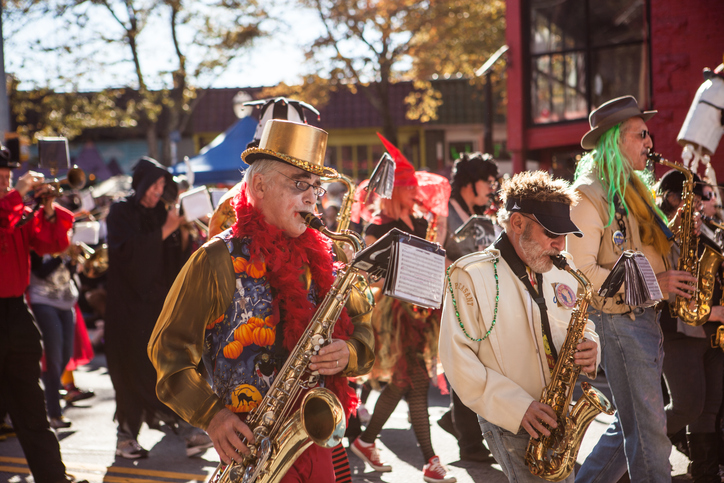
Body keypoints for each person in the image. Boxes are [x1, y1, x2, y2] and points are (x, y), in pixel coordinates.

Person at [148, 119, 375, 483]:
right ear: (259, 186)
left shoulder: (328, 256)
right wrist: (211, 416)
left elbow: (364, 331)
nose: (311, 199)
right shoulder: (214, 259)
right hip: (252, 454)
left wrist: (350, 351)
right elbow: (168, 351)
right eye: (299, 184)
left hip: (317, 446)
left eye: (315, 187)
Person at [567, 95, 698, 482]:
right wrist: (652, 284)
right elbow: (581, 272)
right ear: (614, 140)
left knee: (633, 428)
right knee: (651, 436)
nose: (650, 143)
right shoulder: (588, 195)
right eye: (641, 134)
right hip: (618, 322)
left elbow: (646, 252)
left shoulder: (634, 190)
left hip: (644, 320)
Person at [439, 170, 600, 483]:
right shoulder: (470, 275)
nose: (560, 245)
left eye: (564, 234)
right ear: (517, 224)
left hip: (555, 413)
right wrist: (517, 408)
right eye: (551, 233)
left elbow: (580, 324)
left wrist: (591, 344)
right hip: (510, 419)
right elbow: (457, 359)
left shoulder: (560, 267)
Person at [349, 134, 456, 483]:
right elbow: (373, 275)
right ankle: (430, 460)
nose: (416, 192)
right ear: (396, 191)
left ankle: (366, 440)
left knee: (404, 381)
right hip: (393, 313)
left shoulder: (420, 220)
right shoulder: (377, 226)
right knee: (416, 378)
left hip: (421, 307)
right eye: (409, 187)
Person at [104, 156, 209, 459]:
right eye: (153, 185)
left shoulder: (162, 213)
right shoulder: (120, 212)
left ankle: (187, 430)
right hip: (127, 312)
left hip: (158, 309)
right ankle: (126, 437)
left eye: (162, 185)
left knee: (167, 367)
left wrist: (183, 232)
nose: (156, 191)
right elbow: (128, 257)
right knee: (130, 373)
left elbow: (172, 260)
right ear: (140, 185)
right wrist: (167, 229)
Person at [0, 143, 84, 483]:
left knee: (32, 411)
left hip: (16, 315)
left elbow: (51, 245)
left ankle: (54, 478)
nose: (6, 182)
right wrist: (17, 196)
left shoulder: (14, 206)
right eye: (0, 178)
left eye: (6, 177)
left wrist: (48, 210)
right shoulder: (10, 206)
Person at [656, 169, 724, 483]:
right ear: (673, 198)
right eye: (696, 199)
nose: (700, 206)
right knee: (687, 407)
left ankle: (706, 473)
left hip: (710, 335)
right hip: (681, 332)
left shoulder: (702, 231)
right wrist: (715, 312)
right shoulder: (660, 232)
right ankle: (628, 449)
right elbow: (671, 292)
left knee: (707, 410)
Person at [437, 152, 500, 463]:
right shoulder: (444, 212)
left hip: (477, 301)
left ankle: (459, 425)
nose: (492, 187)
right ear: (468, 183)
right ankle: (470, 443)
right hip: (452, 300)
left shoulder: (481, 213)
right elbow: (433, 253)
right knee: (465, 368)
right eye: (487, 181)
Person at [27, 248, 80, 429]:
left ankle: (50, 401)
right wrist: (61, 254)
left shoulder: (66, 237)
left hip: (67, 302)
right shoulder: (38, 240)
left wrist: (72, 260)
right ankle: (54, 413)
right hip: (43, 301)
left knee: (65, 356)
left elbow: (69, 274)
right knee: (53, 359)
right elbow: (40, 272)